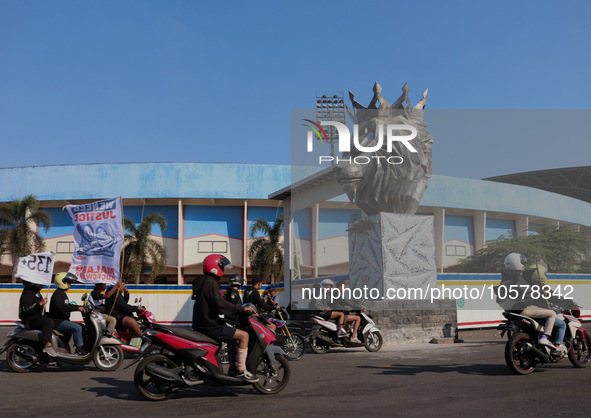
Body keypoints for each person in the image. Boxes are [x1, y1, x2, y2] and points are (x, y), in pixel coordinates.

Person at [191, 254, 258, 383]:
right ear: (216, 267)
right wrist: (241, 310)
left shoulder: (205, 282)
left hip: (206, 322)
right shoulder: (210, 283)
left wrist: (232, 315)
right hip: (210, 326)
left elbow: (216, 306)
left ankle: (232, 367)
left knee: (232, 339)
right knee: (244, 336)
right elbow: (220, 304)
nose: (224, 270)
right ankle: (241, 371)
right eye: (223, 266)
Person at [497, 253, 558, 349]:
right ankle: (545, 337)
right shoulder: (516, 277)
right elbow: (525, 291)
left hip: (510, 310)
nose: (523, 264)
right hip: (521, 309)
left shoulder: (506, 277)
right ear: (517, 263)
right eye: (522, 262)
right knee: (552, 314)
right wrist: (540, 292)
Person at [530, 262, 567, 355]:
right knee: (562, 325)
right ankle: (556, 348)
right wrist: (570, 303)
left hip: (530, 313)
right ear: (541, 274)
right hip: (541, 314)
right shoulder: (543, 288)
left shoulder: (526, 286)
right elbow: (556, 298)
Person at [48, 272, 88, 355]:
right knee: (77, 328)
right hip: (58, 322)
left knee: (82, 326)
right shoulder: (58, 294)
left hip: (63, 320)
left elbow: (67, 305)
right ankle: (79, 349)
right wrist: (77, 308)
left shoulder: (62, 293)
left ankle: (84, 346)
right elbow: (62, 306)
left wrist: (80, 306)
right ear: (62, 282)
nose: (70, 284)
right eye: (68, 282)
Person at [18, 280, 56, 357]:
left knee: (54, 319)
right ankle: (47, 345)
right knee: (49, 322)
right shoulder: (27, 293)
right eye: (40, 284)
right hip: (30, 320)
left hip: (37, 317)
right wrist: (40, 303)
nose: (42, 286)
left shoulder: (35, 293)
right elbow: (26, 310)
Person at [105, 280, 144, 347]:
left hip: (119, 314)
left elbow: (123, 303)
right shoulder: (114, 291)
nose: (124, 287)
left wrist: (126, 294)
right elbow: (124, 306)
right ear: (118, 284)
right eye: (123, 285)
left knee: (136, 322)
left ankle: (133, 343)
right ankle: (144, 337)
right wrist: (136, 308)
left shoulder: (117, 292)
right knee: (131, 322)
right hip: (115, 315)